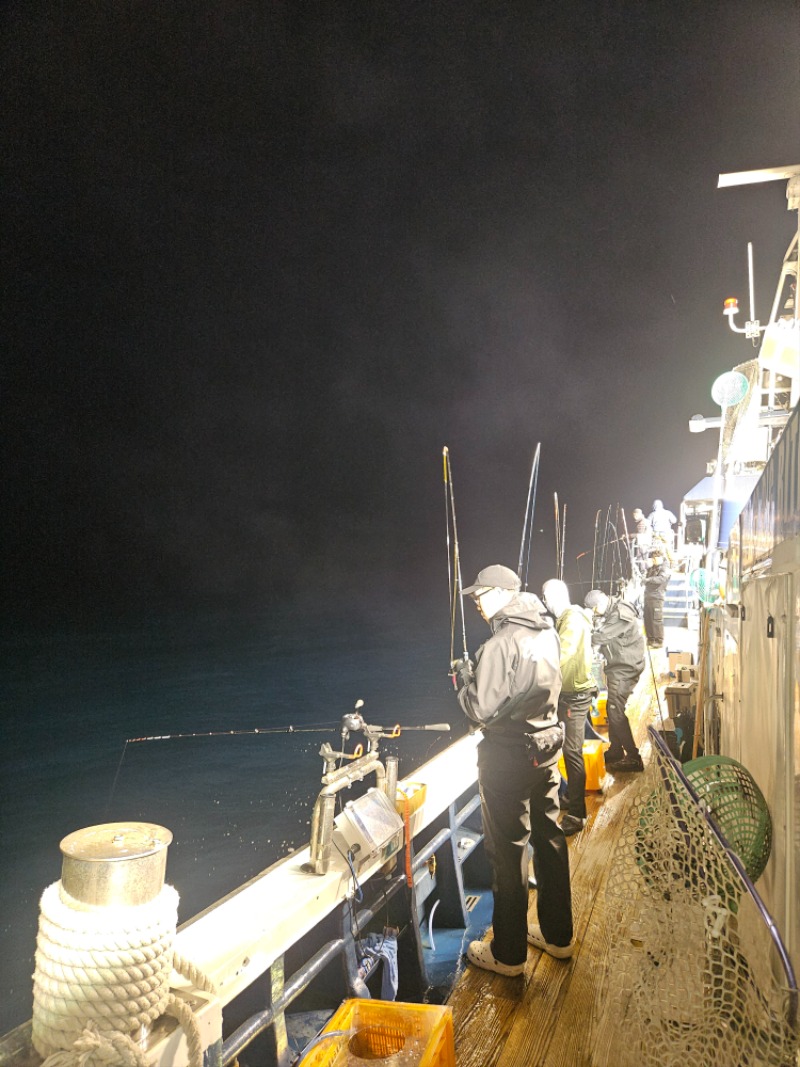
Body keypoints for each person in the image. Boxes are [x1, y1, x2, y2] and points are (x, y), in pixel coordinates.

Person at [453, 564, 573, 976]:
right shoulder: (547, 630)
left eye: (481, 595)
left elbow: (479, 708)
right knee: (550, 839)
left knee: (508, 852)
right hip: (547, 748)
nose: (477, 603)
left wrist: (464, 681)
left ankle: (508, 955)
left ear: (504, 593)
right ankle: (559, 937)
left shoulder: (500, 643)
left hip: (507, 757)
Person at [542, 578, 596, 836]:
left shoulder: (572, 620)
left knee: (572, 752)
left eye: (544, 598)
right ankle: (569, 796)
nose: (544, 603)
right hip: (571, 695)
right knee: (569, 750)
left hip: (575, 696)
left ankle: (577, 813)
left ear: (552, 597)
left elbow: (561, 654)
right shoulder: (567, 619)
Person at [584, 589, 646, 772]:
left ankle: (633, 757)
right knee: (612, 708)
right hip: (620, 665)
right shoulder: (613, 610)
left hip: (625, 668)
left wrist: (580, 635)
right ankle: (616, 750)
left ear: (599, 605)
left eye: (595, 611)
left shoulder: (619, 614)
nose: (596, 614)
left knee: (615, 711)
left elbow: (601, 636)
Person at [643, 552, 670, 647]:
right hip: (648, 597)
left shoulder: (665, 568)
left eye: (654, 559)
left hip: (657, 597)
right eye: (652, 560)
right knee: (648, 619)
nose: (653, 561)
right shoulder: (653, 568)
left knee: (656, 620)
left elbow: (661, 579)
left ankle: (658, 641)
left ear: (660, 558)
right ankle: (650, 639)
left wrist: (648, 580)